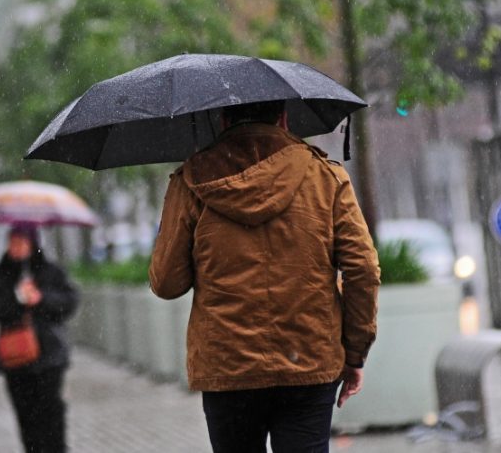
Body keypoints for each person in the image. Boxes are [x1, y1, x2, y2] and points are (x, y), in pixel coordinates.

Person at [149, 100, 380, 453]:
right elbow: (362, 268)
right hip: (308, 358)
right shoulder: (326, 178)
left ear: (223, 119)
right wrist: (355, 353)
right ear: (284, 117)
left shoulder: (192, 182)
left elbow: (166, 284)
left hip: (229, 367)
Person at [0, 225, 79, 453]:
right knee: (26, 417)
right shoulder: (0, 274)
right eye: (13, 242)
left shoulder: (51, 271)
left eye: (22, 242)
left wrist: (40, 298)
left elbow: (69, 302)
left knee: (52, 412)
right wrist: (17, 299)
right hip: (15, 357)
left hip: (49, 356)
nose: (17, 247)